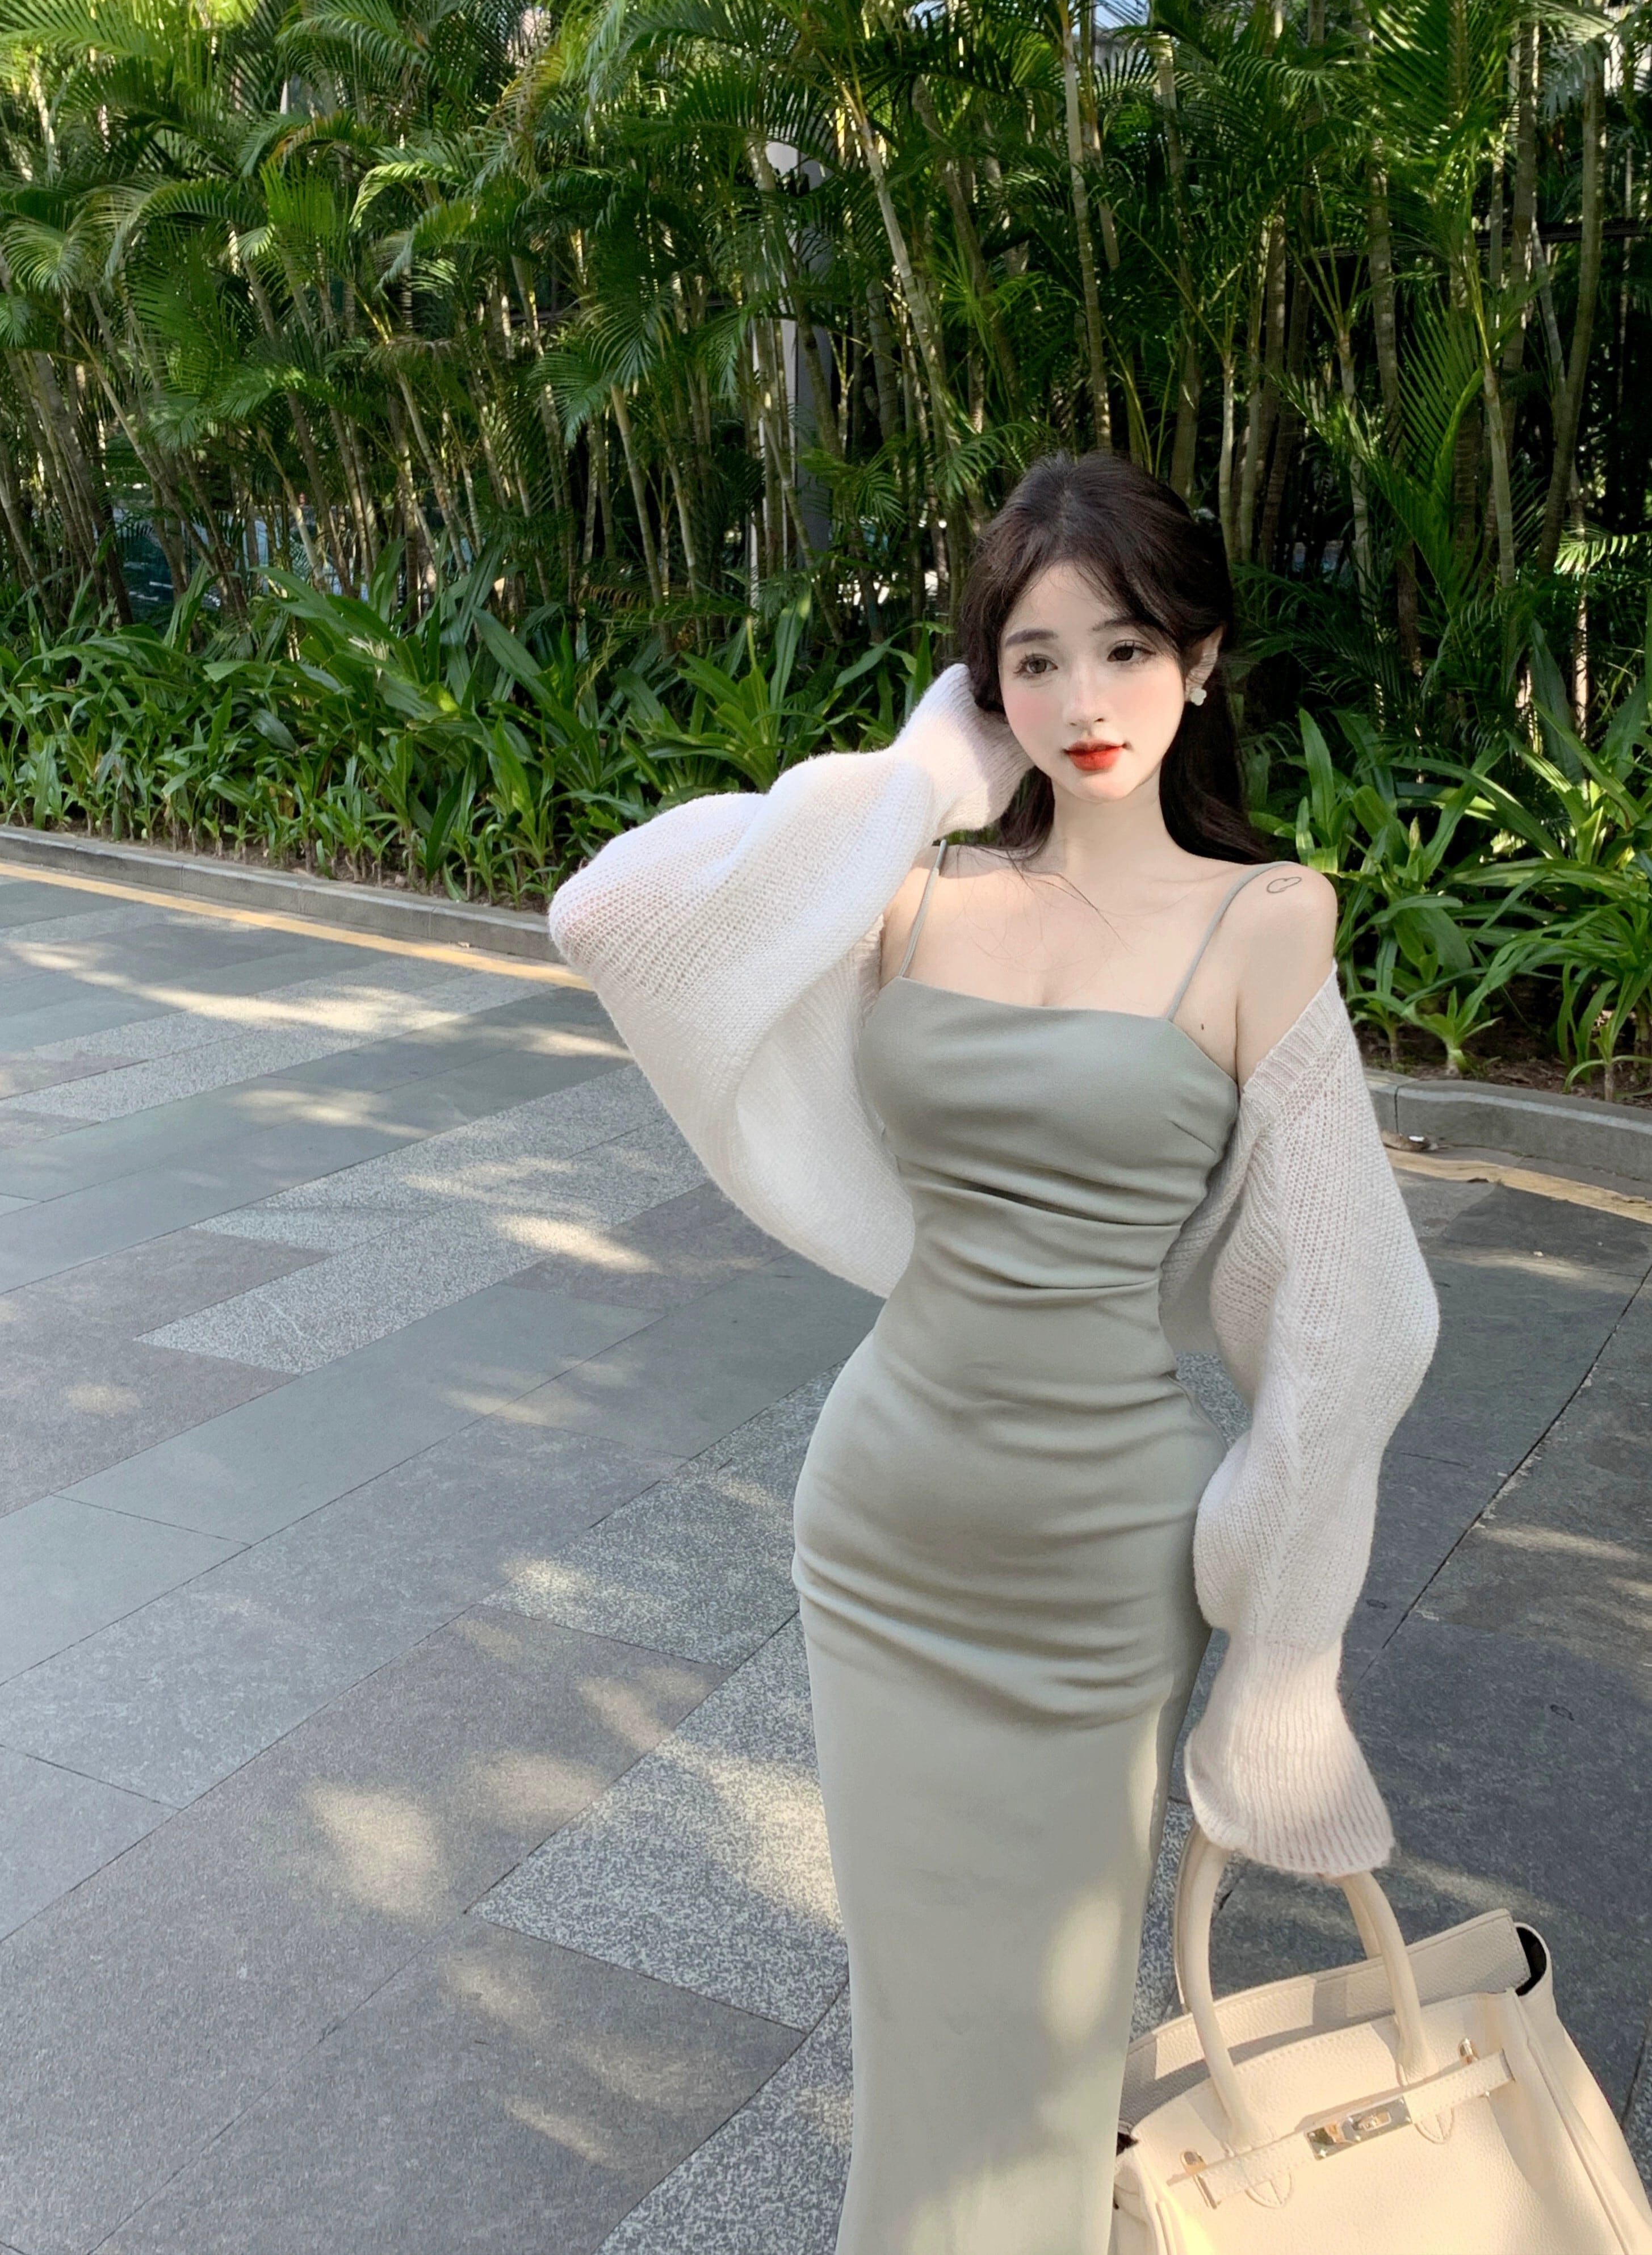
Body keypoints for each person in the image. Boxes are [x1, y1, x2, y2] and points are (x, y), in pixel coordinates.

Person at [547, 451, 1438, 2254]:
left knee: (1040, 2048)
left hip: (1095, 1569)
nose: (1085, 700)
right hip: (883, 1529)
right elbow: (613, 916)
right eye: (1035, 659)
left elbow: (1358, 1313)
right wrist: (919, 778)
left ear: (1200, 659)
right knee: (920, 2034)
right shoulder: (916, 887)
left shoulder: (1266, 918)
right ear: (984, 681)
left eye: (1125, 648)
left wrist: (1280, 1636)